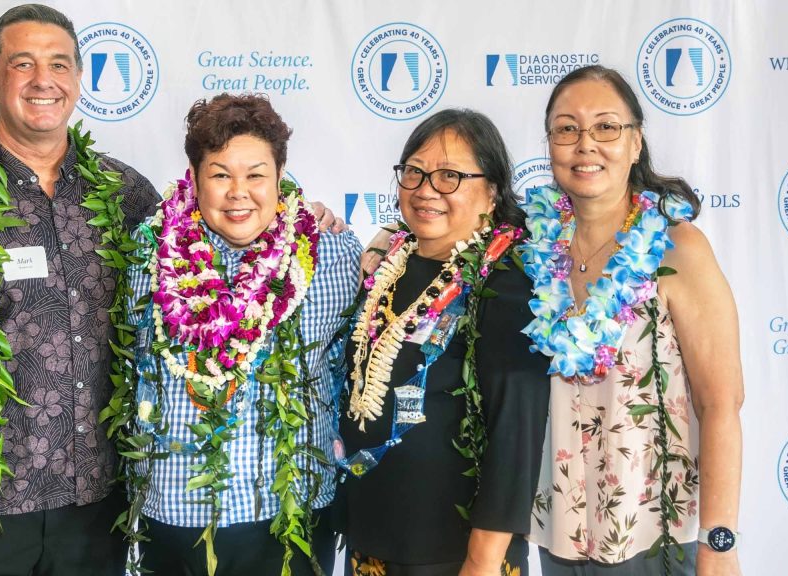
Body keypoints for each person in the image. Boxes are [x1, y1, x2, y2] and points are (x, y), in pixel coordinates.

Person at [0, 5, 345, 575]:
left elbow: (222, 230)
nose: (44, 80)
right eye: (23, 64)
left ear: (79, 80)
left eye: (60, 64)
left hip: (96, 506)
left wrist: (303, 210)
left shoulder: (124, 194)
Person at [124, 93, 362, 576]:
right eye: (220, 175)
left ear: (280, 178)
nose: (239, 192)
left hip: (288, 511)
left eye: (256, 175)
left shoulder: (333, 253)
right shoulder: (148, 253)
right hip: (173, 509)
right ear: (194, 179)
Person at [521, 65, 744, 576]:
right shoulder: (531, 243)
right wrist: (382, 241)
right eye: (567, 128)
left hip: (658, 536)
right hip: (557, 534)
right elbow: (445, 225)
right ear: (550, 142)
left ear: (636, 141)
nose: (586, 144)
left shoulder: (677, 246)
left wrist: (720, 542)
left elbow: (722, 403)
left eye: (606, 126)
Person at [339, 109, 551, 576]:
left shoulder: (507, 280)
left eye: (450, 176)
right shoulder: (388, 261)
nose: (425, 189)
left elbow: (517, 431)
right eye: (413, 172)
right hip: (372, 539)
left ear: (492, 191)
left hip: (456, 554)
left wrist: (483, 561)